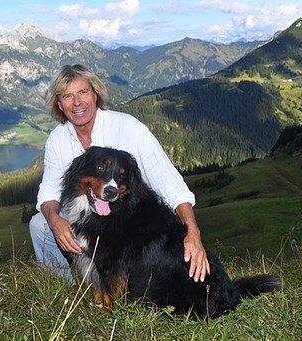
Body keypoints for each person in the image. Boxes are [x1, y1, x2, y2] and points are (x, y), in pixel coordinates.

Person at [29, 63, 210, 283]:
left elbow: (173, 188)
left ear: (95, 95)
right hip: (85, 215)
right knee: (40, 225)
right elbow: (48, 193)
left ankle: (129, 287)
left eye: (83, 92)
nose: (77, 103)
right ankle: (66, 289)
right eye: (67, 96)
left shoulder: (129, 128)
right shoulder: (58, 139)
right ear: (59, 103)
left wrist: (193, 234)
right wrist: (55, 221)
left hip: (131, 220)